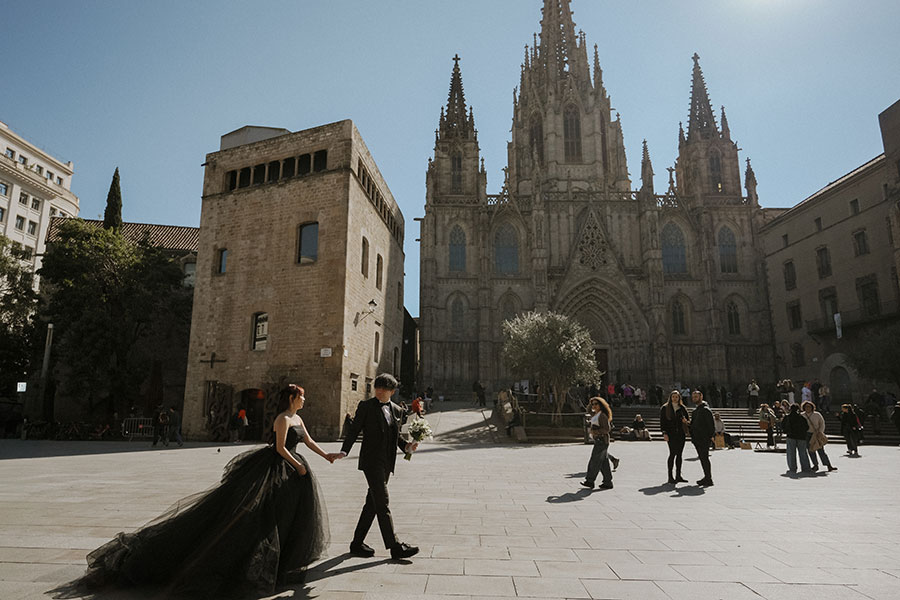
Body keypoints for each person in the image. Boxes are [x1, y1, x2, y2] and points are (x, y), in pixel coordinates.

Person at [64, 384, 334, 597]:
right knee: (257, 518)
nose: (304, 400)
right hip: (278, 468)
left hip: (295, 471)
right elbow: (279, 448)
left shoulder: (298, 419)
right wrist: (298, 465)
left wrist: (327, 455)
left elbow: (308, 441)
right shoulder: (282, 419)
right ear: (291, 398)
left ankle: (283, 563)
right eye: (301, 397)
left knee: (287, 517)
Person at [340, 373, 419, 561]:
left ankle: (357, 543)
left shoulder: (397, 410)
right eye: (377, 387)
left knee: (372, 504)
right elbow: (354, 430)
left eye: (383, 388)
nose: (378, 390)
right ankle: (395, 546)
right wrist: (344, 451)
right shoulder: (366, 407)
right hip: (371, 461)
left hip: (386, 463)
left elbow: (397, 438)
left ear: (392, 391)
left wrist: (408, 447)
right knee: (382, 501)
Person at [580, 397, 613, 489]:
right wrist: (592, 401)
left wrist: (595, 432)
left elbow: (606, 429)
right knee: (603, 462)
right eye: (593, 404)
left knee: (594, 461)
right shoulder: (596, 414)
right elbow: (588, 409)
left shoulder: (602, 415)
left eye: (596, 404)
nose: (594, 406)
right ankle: (608, 482)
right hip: (599, 440)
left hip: (602, 440)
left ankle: (590, 481)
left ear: (601, 405)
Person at [660, 390, 690, 484]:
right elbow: (662, 422)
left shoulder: (682, 408)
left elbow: (688, 420)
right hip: (671, 434)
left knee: (679, 455)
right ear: (670, 397)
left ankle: (678, 475)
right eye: (673, 396)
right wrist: (664, 433)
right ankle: (670, 476)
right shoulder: (665, 408)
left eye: (676, 397)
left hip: (681, 434)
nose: (675, 398)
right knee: (672, 454)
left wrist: (686, 422)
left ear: (679, 398)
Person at [802, 400, 836, 472]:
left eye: (809, 407)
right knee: (811, 451)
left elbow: (822, 423)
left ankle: (828, 465)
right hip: (808, 434)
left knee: (821, 450)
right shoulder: (802, 415)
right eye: (806, 407)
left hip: (817, 434)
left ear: (812, 407)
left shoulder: (817, 414)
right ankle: (815, 465)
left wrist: (820, 432)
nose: (808, 408)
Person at [690, 390, 715, 486]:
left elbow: (711, 425)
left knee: (704, 458)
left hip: (704, 439)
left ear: (701, 397)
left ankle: (709, 478)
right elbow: (694, 424)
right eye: (693, 397)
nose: (694, 398)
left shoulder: (706, 410)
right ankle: (706, 477)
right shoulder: (695, 411)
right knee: (702, 458)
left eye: (696, 396)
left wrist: (710, 436)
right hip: (696, 439)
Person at [783, 403, 812, 474]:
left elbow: (783, 426)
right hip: (801, 437)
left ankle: (792, 468)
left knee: (791, 453)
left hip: (791, 436)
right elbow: (807, 427)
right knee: (803, 453)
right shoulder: (802, 418)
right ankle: (805, 467)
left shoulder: (787, 417)